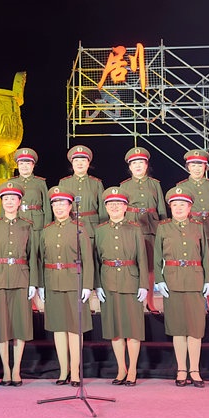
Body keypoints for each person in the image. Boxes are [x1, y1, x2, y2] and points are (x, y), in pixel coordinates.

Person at [154, 188, 209, 387]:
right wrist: (160, 280)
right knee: (178, 328)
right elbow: (157, 256)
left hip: (195, 280)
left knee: (195, 328)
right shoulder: (163, 228)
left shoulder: (198, 227)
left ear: (190, 208)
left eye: (183, 205)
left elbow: (206, 255)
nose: (178, 208)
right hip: (172, 281)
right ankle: (181, 369)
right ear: (170, 207)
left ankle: (194, 370)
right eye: (175, 205)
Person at [0, 181, 38, 387]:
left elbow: (33, 256)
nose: (9, 202)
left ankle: (17, 370)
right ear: (1, 202)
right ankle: (5, 370)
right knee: (1, 325)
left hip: (21, 277)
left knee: (20, 324)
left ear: (20, 202)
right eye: (6, 199)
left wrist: (33, 282)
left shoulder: (27, 226)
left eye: (13, 198)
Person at [38, 186, 94, 386]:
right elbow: (41, 259)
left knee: (74, 328)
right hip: (52, 281)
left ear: (70, 206)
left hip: (74, 282)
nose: (59, 207)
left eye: (63, 203)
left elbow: (88, 259)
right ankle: (63, 371)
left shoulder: (79, 228)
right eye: (55, 204)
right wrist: (41, 285)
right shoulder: (47, 231)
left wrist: (87, 285)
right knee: (58, 328)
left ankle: (76, 372)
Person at [94, 187, 149, 386]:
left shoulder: (134, 229)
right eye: (111, 204)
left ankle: (132, 369)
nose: (115, 207)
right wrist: (97, 285)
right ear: (106, 207)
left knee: (132, 329)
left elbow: (142, 258)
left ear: (126, 207)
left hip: (131, 281)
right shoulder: (100, 230)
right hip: (108, 282)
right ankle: (121, 369)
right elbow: (96, 260)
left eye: (119, 204)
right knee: (114, 328)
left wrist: (143, 284)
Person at [118, 147, 166, 312]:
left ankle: (150, 301)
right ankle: (134, 301)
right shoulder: (124, 186)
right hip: (131, 227)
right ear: (130, 167)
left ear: (146, 165)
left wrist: (163, 229)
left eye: (141, 162)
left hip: (151, 227)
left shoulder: (155, 184)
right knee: (132, 265)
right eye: (134, 163)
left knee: (150, 267)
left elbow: (161, 209)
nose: (138, 166)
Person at [176, 149, 209, 312]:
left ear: (205, 167)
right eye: (193, 165)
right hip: (191, 233)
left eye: (200, 165)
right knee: (195, 268)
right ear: (188, 167)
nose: (197, 168)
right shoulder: (182, 187)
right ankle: (196, 303)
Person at [59, 145, 106, 237]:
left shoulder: (97, 183)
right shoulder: (63, 183)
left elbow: (103, 210)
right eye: (76, 160)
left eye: (83, 160)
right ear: (72, 164)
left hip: (91, 228)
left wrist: (103, 229)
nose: (79, 163)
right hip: (69, 227)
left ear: (88, 163)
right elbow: (58, 208)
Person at [10, 148, 51, 234]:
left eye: (28, 163)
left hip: (36, 224)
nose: (24, 166)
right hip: (16, 221)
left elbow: (47, 207)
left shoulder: (40, 183)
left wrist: (47, 228)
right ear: (17, 166)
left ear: (33, 165)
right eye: (21, 163)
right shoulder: (12, 183)